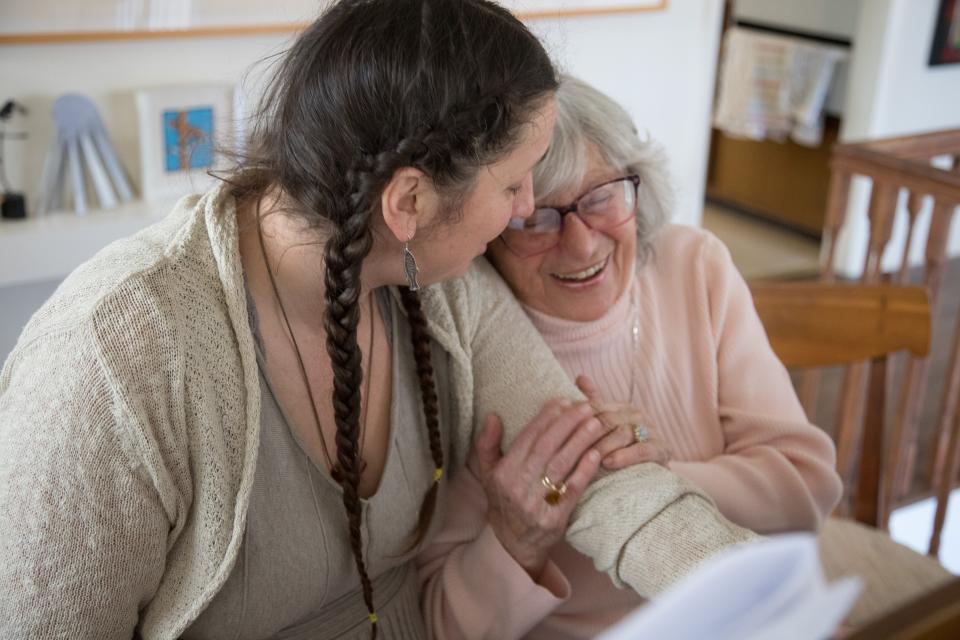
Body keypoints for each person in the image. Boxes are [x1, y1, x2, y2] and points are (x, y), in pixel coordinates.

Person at [0, 5, 755, 640]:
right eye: (513, 182)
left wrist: (761, 600)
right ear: (409, 205)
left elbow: (601, 483)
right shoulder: (116, 352)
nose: (528, 207)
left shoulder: (437, 282)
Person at [417, 75, 843, 639]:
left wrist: (656, 474)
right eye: (536, 220)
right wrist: (516, 541)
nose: (582, 244)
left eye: (599, 198)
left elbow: (808, 488)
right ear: (488, 235)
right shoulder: (469, 344)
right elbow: (438, 623)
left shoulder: (694, 266)